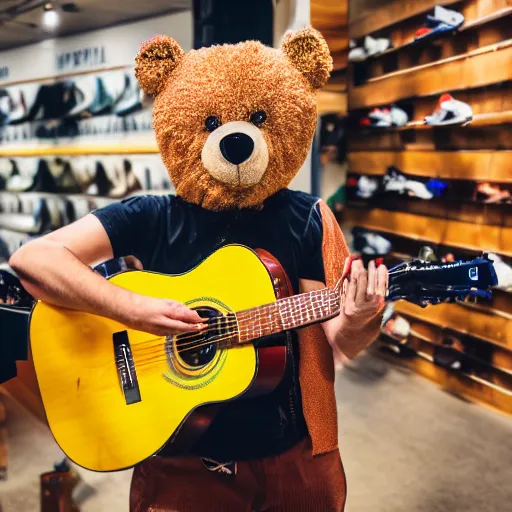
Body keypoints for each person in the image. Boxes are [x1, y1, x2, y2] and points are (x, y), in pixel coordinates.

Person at [9, 28, 388, 512]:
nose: (234, 138)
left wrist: (359, 319)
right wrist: (131, 308)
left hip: (294, 459)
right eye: (211, 122)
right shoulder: (151, 216)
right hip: (180, 467)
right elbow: (32, 260)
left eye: (256, 119)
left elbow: (342, 341)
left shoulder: (309, 218)